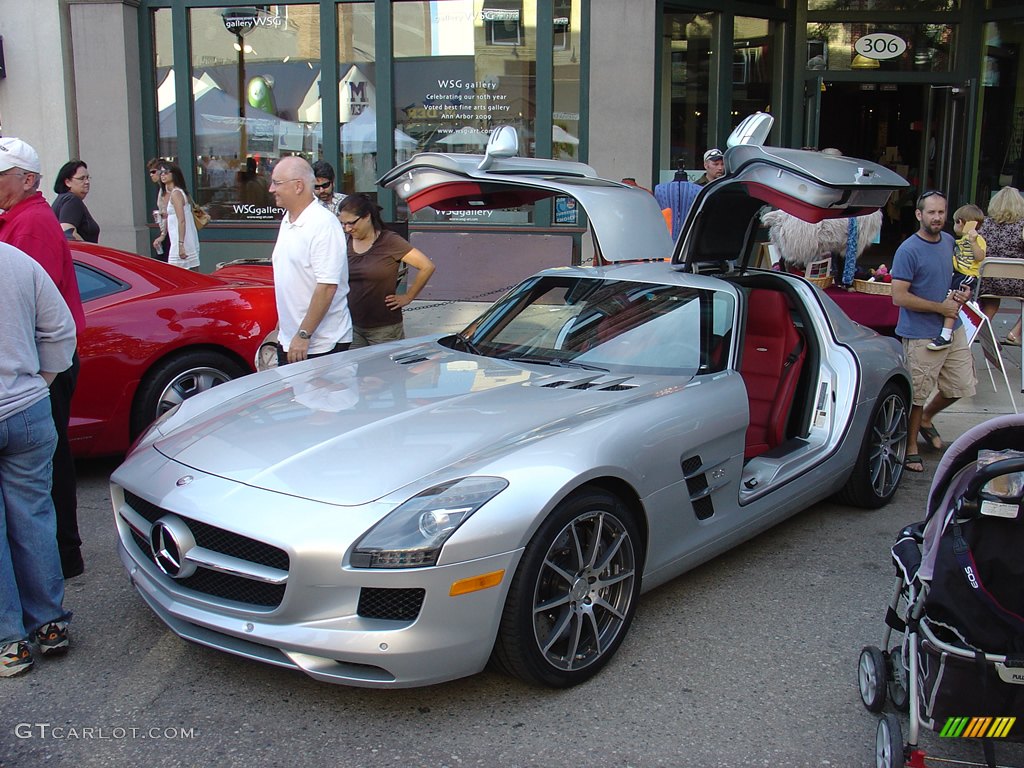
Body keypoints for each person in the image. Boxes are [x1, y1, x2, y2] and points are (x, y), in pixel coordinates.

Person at [0, 137, 87, 579]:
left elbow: (30, 305)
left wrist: (41, 375)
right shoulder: (20, 218)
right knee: (47, 466)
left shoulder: (30, 223)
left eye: (0, 176)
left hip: (39, 365)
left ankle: (58, 557)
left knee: (47, 468)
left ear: (26, 179)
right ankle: (56, 557)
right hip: (37, 363)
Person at [0, 240, 78, 677]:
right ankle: (49, 623)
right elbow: (60, 329)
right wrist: (41, 381)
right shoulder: (17, 262)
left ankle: (9, 640)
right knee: (33, 513)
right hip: (27, 407)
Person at [890, 190, 975, 473]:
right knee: (917, 394)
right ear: (919, 215)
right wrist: (941, 309)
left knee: (961, 386)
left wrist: (962, 293)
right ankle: (910, 447)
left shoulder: (949, 241)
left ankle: (927, 418)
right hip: (921, 333)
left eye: (941, 212)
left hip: (954, 327)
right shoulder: (908, 250)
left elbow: (954, 276)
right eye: (931, 212)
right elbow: (899, 297)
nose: (937, 217)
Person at [270, 156, 352, 365]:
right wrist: (283, 328)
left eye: (277, 183)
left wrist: (303, 334)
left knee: (315, 399)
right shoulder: (288, 220)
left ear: (298, 186)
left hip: (321, 345)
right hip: (292, 340)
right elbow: (292, 278)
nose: (271, 189)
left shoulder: (323, 224)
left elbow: (327, 286)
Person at [340, 193, 436, 348]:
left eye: (351, 223)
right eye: (343, 224)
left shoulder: (389, 241)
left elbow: (427, 266)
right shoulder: (345, 240)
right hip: (351, 325)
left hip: (384, 328)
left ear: (367, 217)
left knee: (387, 370)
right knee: (354, 370)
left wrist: (408, 297)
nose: (347, 228)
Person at [927, 203, 986, 350]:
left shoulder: (978, 240)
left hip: (968, 275)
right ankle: (944, 329)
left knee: (954, 299)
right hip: (957, 274)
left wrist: (973, 241)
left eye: (955, 222)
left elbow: (980, 257)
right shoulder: (957, 241)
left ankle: (945, 335)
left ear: (961, 222)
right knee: (946, 295)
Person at [977, 186, 1024, 343]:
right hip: (1017, 284)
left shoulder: (984, 225)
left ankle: (981, 328)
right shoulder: (1022, 226)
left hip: (988, 282)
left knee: (991, 300)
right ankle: (1015, 332)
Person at [154, 163, 200, 270]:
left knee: (180, 272)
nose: (163, 175)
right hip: (178, 238)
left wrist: (181, 245)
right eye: (161, 173)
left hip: (182, 240)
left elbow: (181, 220)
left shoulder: (176, 193)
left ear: (174, 174)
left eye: (166, 172)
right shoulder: (173, 192)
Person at [51, 160, 100, 242]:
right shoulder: (72, 200)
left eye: (87, 178)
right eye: (81, 178)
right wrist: (88, 252)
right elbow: (68, 233)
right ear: (67, 182)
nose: (87, 182)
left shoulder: (63, 199)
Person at [147, 158, 169, 261]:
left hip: (170, 232)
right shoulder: (161, 190)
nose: (151, 174)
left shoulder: (167, 190)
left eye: (153, 171)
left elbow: (170, 214)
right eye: (150, 172)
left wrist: (163, 235)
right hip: (165, 230)